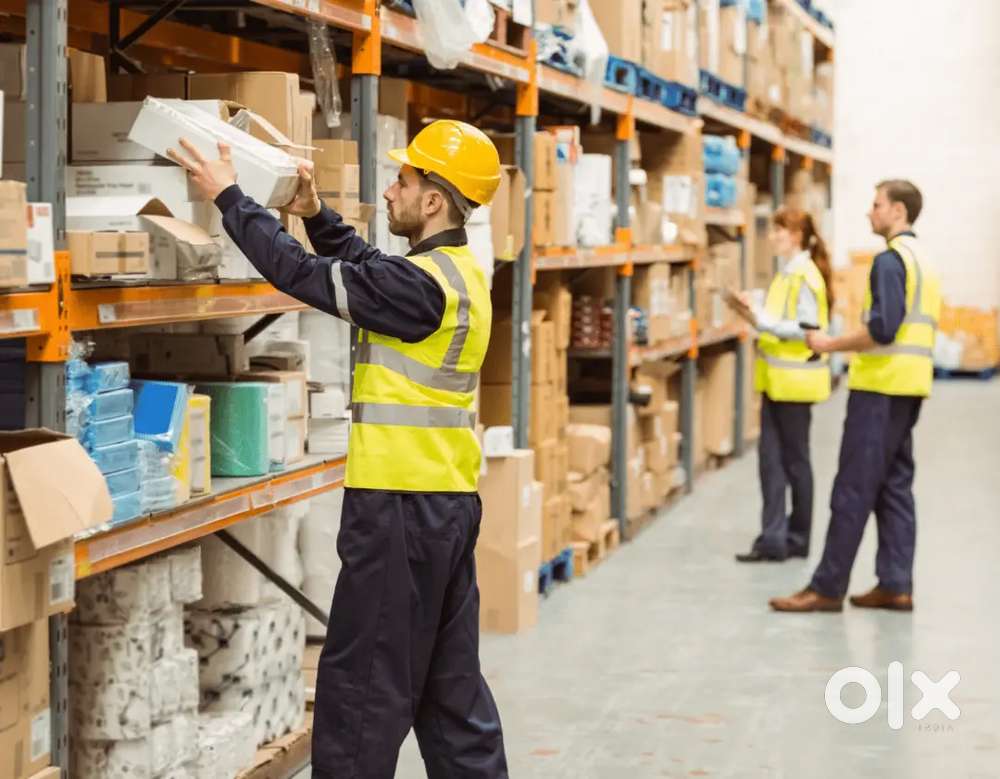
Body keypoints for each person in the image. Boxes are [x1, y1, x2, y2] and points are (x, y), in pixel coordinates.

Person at [169, 121, 509, 777]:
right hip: (444, 507)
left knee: (360, 700)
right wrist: (316, 212)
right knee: (451, 695)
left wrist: (229, 194)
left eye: (403, 180)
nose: (391, 190)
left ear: (434, 200)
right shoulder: (454, 272)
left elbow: (300, 273)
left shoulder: (422, 288)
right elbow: (366, 266)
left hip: (399, 515)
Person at [770, 179, 941, 613]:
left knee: (852, 488)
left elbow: (882, 330)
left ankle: (826, 588)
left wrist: (829, 345)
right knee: (894, 486)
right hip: (909, 387)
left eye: (877, 204)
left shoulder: (890, 261)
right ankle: (896, 584)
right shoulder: (923, 258)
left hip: (879, 389)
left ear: (898, 212)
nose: (870, 212)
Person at [727, 207, 833, 563]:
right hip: (776, 381)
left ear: (797, 236)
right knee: (770, 461)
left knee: (795, 462)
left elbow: (807, 328)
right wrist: (753, 304)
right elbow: (780, 313)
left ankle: (798, 538)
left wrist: (762, 321)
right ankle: (773, 540)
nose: (772, 237)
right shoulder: (787, 273)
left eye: (779, 231)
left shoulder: (805, 275)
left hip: (795, 382)